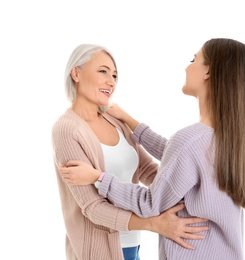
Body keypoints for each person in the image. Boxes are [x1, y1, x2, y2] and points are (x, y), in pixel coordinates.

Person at [59, 38, 245, 260]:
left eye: (194, 59)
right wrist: (131, 122)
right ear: (76, 74)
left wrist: (98, 177)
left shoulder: (190, 141)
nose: (187, 66)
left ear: (208, 72)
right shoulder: (227, 140)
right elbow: (177, 159)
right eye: (103, 71)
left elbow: (152, 199)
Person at [51, 43, 210, 260]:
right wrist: (154, 224)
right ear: (76, 73)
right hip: (100, 251)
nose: (111, 81)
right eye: (103, 71)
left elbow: (148, 170)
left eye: (115, 75)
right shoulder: (67, 129)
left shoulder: (114, 119)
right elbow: (92, 208)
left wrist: (192, 193)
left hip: (131, 244)